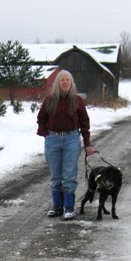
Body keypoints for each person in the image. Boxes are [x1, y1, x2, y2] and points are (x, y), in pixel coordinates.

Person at [36, 70, 95, 220]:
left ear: (71, 83)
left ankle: (68, 208)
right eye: (62, 79)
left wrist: (87, 144)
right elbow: (41, 118)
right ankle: (57, 207)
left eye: (67, 79)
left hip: (72, 139)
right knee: (56, 176)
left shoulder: (77, 101)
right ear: (57, 83)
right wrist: (45, 133)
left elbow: (84, 123)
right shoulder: (50, 100)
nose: (65, 82)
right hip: (53, 139)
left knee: (69, 175)